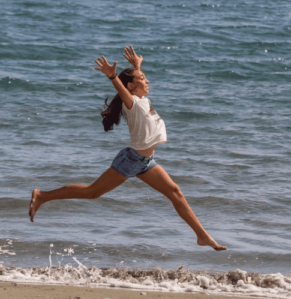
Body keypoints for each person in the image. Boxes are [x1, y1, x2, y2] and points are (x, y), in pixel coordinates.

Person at [29, 46, 226, 251]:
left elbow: (132, 83)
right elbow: (122, 88)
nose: (147, 81)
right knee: (92, 192)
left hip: (145, 163)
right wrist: (113, 76)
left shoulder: (141, 99)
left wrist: (137, 67)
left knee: (175, 192)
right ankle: (42, 196)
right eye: (142, 79)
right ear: (130, 87)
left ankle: (202, 236)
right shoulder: (131, 103)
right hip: (131, 160)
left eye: (145, 77)